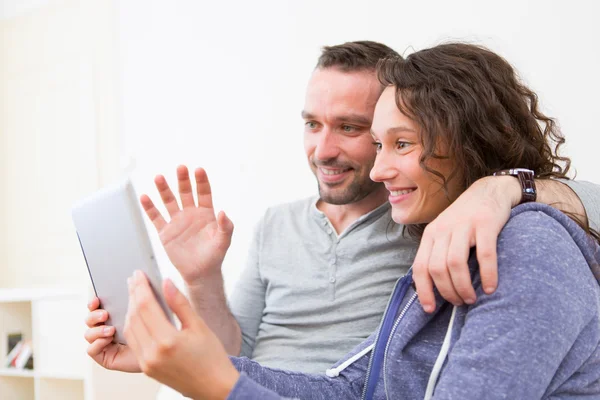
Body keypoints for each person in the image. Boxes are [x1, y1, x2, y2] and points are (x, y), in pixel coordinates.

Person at [84, 40, 600, 377]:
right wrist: (201, 279)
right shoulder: (275, 225)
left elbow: (581, 216)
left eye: (351, 129)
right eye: (312, 124)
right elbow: (234, 352)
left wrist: (502, 189)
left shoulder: (428, 223)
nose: (323, 149)